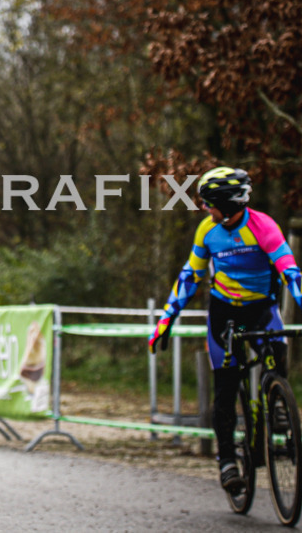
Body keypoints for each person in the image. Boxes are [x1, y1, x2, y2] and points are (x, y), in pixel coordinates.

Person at [149, 166, 302, 495]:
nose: (205, 209)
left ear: (226, 204)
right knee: (226, 388)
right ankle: (228, 461)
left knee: (277, 354)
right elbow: (190, 275)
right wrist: (167, 318)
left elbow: (289, 270)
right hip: (225, 314)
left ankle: (278, 405)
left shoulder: (263, 226)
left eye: (209, 203)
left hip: (261, 309)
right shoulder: (207, 231)